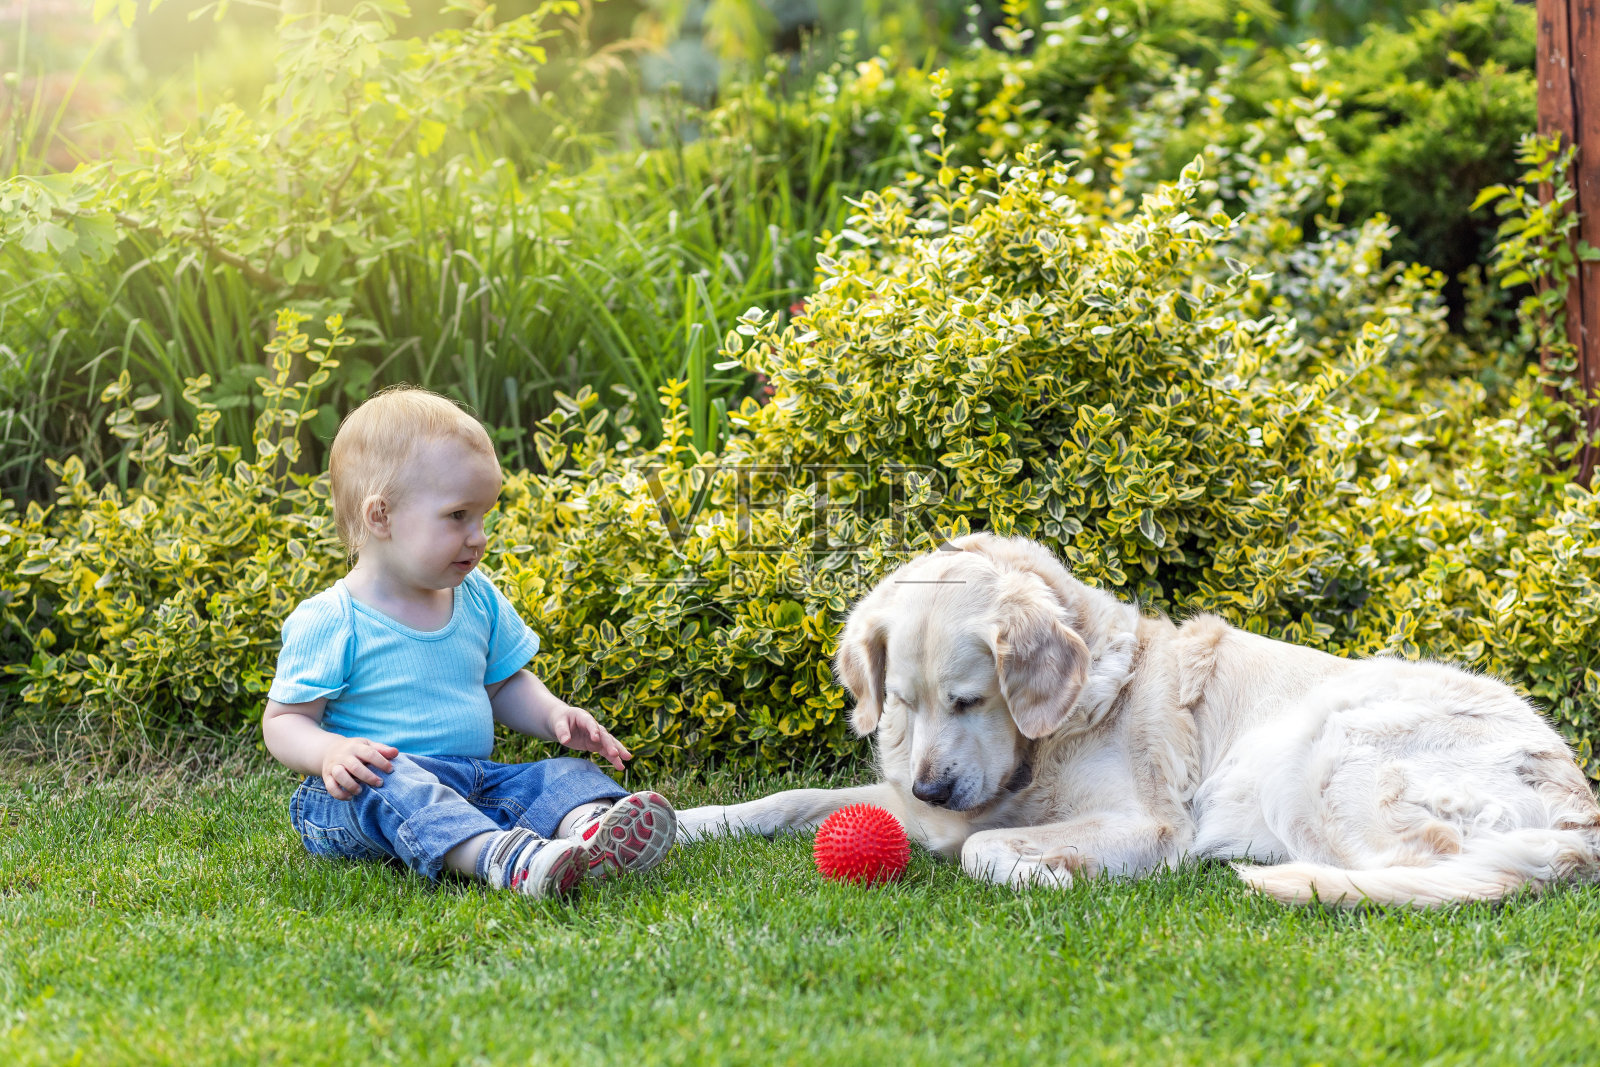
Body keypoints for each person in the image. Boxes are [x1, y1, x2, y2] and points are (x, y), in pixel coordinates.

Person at [261, 386, 676, 898]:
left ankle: (591, 833)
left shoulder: (475, 596)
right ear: (381, 516)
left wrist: (552, 715)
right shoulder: (333, 618)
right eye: (459, 516)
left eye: (483, 517)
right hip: (364, 795)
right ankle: (503, 859)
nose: (478, 536)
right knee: (399, 788)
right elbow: (284, 721)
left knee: (557, 774)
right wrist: (332, 752)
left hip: (475, 781)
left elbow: (502, 686)